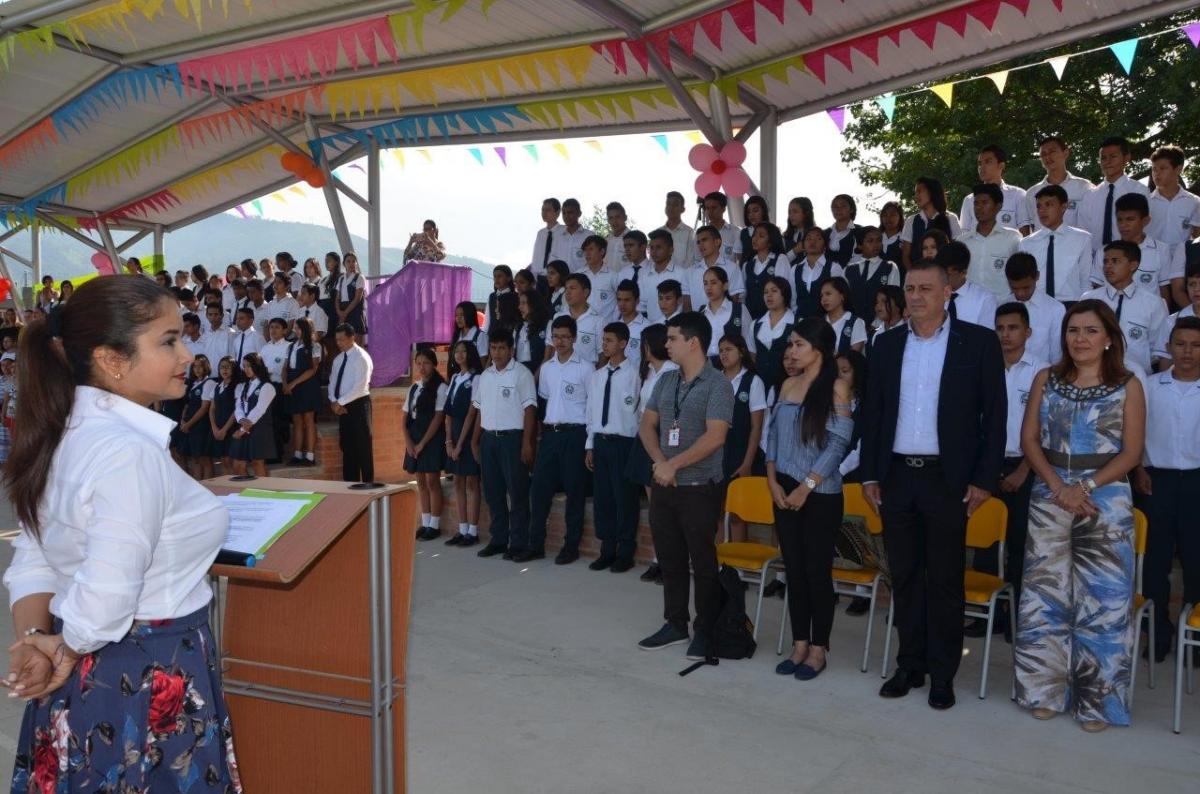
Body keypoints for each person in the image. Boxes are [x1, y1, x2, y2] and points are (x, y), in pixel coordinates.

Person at [1, 275, 242, 791]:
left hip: (89, 677)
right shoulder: (125, 453)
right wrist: (62, 648)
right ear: (112, 359)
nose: (186, 354)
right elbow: (107, 597)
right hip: (147, 673)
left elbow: (35, 560)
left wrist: (36, 642)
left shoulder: (61, 434)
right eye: (169, 340)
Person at [861, 259, 1007, 710]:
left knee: (944, 580)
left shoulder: (978, 343)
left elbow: (995, 417)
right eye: (910, 287)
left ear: (948, 292)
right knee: (903, 576)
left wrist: (984, 480)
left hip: (949, 480)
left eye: (927, 287)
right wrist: (869, 472)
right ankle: (910, 664)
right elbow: (874, 414)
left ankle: (943, 674)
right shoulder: (885, 345)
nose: (916, 295)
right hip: (897, 477)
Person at [1016, 300, 1145, 730]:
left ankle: (1098, 704)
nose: (1081, 339)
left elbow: (1131, 452)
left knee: (1103, 603)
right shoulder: (1045, 379)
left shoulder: (1128, 384)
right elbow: (1029, 440)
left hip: (1105, 500)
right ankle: (1044, 691)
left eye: (1091, 331)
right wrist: (1058, 487)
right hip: (1049, 494)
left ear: (1109, 338)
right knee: (1045, 597)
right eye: (1073, 331)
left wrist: (1084, 487)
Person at [637, 312, 735, 659]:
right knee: (670, 557)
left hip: (699, 487)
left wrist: (673, 464)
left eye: (672, 338)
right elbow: (647, 425)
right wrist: (660, 463)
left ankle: (705, 629)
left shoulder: (718, 384)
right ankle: (675, 622)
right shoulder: (665, 381)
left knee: (702, 559)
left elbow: (716, 436)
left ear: (693, 342)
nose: (666, 344)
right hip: (665, 484)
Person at [767, 319, 855, 679]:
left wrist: (807, 486)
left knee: (817, 572)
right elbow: (772, 438)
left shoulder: (837, 387)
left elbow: (837, 444)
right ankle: (799, 642)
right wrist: (772, 480)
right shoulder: (788, 383)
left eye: (798, 344)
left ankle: (819, 648)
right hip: (783, 489)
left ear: (819, 349)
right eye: (790, 344)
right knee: (794, 570)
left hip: (819, 495)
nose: (791, 351)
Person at [966, 303, 1046, 639]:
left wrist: (1025, 470)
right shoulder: (983, 366)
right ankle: (988, 615)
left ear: (1027, 332)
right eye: (999, 328)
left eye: (1013, 328)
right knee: (985, 543)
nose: (1005, 335)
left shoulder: (1042, 371)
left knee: (1020, 545)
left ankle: (1017, 619)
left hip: (1025, 466)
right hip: (986, 464)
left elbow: (1046, 426)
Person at [1137, 315, 1200, 662]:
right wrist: (1139, 468)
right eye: (1181, 344)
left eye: (1195, 345)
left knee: (1196, 562)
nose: (1187, 352)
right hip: (1156, 480)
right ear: (1170, 347)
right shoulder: (1150, 385)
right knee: (1155, 563)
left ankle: (1195, 634)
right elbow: (1135, 431)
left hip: (1196, 481)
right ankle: (1157, 634)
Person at [527, 316, 592, 564]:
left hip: (576, 435)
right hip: (551, 435)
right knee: (540, 490)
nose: (561, 341)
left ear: (574, 338)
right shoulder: (547, 368)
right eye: (556, 337)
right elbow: (545, 400)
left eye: (565, 337)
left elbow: (591, 406)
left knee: (575, 493)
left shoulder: (585, 368)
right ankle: (536, 544)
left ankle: (571, 546)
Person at [470, 329, 537, 559]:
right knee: (493, 492)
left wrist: (527, 444)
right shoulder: (486, 376)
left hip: (513, 440)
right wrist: (475, 440)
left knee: (517, 493)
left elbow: (530, 410)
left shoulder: (522, 374)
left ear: (511, 350)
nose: (496, 353)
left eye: (501, 348)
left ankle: (517, 543)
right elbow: (480, 409)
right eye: (493, 348)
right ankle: (498, 539)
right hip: (489, 440)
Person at [586, 322, 642, 572]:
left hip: (625, 443)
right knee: (604, 498)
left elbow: (639, 415)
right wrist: (590, 445)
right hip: (602, 441)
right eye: (603, 339)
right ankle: (607, 549)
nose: (604, 344)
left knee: (624, 498)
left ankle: (625, 550)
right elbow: (591, 413)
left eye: (609, 340)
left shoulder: (635, 375)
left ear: (622, 343)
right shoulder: (597, 376)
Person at [1080, 240, 1168, 374]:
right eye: (1105, 261)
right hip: (1094, 375)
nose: (1108, 266)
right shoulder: (1089, 299)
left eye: (1115, 261)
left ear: (1133, 265)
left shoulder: (1154, 303)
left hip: (1135, 377)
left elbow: (1157, 350)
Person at [628, 324, 673, 584]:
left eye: (645, 343)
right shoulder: (648, 372)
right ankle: (659, 558)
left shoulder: (671, 371)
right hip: (645, 439)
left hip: (663, 441)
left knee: (665, 505)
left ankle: (670, 560)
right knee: (654, 506)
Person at [1091, 193, 1186, 309]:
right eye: (1119, 220)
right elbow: (1097, 287)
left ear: (1145, 220)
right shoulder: (1104, 252)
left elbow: (1164, 292)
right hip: (1111, 318)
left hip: (1146, 319)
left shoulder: (1161, 250)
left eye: (1130, 219)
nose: (1123, 225)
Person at [718, 334, 767, 543]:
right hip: (716, 452)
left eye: (728, 349)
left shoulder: (753, 381)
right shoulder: (715, 378)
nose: (723, 355)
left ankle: (736, 570)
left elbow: (756, 427)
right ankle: (719, 565)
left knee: (738, 514)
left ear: (741, 351)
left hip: (740, 452)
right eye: (720, 351)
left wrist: (747, 462)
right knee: (718, 512)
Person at [1018, 185, 1094, 302]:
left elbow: (1086, 280)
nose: (1042, 211)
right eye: (1039, 206)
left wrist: (1084, 309)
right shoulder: (1026, 243)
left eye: (1049, 205)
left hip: (1071, 305)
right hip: (1038, 306)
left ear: (1064, 207)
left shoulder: (1082, 238)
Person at [405, 347, 449, 542]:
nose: (422, 367)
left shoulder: (440, 387)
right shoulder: (414, 387)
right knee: (420, 481)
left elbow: (438, 418)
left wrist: (422, 443)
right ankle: (425, 522)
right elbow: (405, 417)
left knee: (432, 481)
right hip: (414, 437)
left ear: (434, 365)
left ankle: (435, 525)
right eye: (419, 363)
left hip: (431, 438)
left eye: (426, 363)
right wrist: (409, 442)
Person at [443, 341, 483, 548]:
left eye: (463, 351)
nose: (459, 354)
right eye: (456, 351)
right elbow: (448, 414)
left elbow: (472, 412)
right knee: (457, 482)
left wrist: (461, 444)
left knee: (472, 483)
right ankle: (463, 528)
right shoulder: (455, 378)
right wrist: (449, 441)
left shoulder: (476, 378)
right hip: (454, 434)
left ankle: (473, 531)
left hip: (468, 436)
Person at [1078, 136, 1150, 249]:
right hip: (1097, 260)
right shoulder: (1090, 195)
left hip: (1130, 257)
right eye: (1103, 158)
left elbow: (1144, 228)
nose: (1108, 162)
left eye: (1113, 156)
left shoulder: (1139, 191)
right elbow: (1083, 232)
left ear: (1126, 158)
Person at [960, 183, 1023, 300]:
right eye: (976, 203)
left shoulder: (1013, 238)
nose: (979, 208)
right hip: (970, 308)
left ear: (998, 206)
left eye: (984, 203)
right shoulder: (962, 242)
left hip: (1002, 307)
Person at [1004, 252, 1065, 366]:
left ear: (1037, 276)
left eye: (1026, 287)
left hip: (1042, 377)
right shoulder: (1002, 307)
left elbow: (1057, 355)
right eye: (1014, 288)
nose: (1020, 293)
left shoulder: (1055, 309)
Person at [1025, 135, 1095, 232]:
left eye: (1052, 152)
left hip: (1075, 245)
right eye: (1043, 154)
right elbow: (1032, 227)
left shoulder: (1084, 187)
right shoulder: (1032, 193)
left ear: (1065, 153)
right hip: (1042, 246)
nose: (1047, 157)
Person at [957, 144, 1031, 234]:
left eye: (988, 162)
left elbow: (1025, 234)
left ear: (1001, 165)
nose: (982, 167)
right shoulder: (969, 200)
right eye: (980, 163)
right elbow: (964, 236)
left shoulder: (1018, 195)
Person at [283, 317, 322, 468]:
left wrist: (293, 383)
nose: (295, 331)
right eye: (295, 328)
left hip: (307, 385)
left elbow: (313, 369)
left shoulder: (314, 346)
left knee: (308, 420)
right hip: (292, 386)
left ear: (306, 329)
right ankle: (298, 454)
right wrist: (286, 383)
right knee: (297, 421)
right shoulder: (291, 346)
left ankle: (310, 456)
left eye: (298, 328)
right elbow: (285, 368)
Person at [228, 352, 275, 477]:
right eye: (244, 366)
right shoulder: (243, 386)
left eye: (249, 366)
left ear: (257, 365)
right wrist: (242, 419)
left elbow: (259, 410)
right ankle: (246, 491)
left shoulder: (267, 386)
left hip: (259, 429)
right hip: (245, 426)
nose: (246, 369)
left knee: (257, 463)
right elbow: (238, 406)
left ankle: (263, 494)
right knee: (237, 464)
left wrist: (243, 429)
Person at [901, 177, 961, 270]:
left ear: (932, 192)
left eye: (919, 191)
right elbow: (906, 256)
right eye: (915, 193)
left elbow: (956, 250)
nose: (916, 196)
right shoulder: (911, 221)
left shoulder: (950, 218)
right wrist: (914, 275)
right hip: (918, 278)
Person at [1146, 145, 1200, 248]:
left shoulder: (1194, 202)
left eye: (1163, 168)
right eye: (1154, 169)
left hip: (1182, 262)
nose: (1157, 173)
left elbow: (1197, 238)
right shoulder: (1144, 202)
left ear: (1178, 169)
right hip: (1150, 261)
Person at [546, 273, 604, 367]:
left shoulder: (598, 321)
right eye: (566, 288)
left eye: (572, 288)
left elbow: (602, 354)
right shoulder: (558, 316)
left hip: (586, 377)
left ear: (585, 292)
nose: (567, 293)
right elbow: (551, 348)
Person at [843, 226, 901, 321]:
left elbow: (893, 299)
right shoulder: (848, 269)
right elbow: (843, 299)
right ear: (860, 245)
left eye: (878, 240)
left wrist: (876, 324)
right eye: (870, 241)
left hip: (881, 325)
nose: (876, 244)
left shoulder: (890, 267)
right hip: (853, 324)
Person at [699, 266, 752, 366]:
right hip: (707, 369)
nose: (708, 287)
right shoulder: (701, 313)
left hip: (734, 368)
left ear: (725, 285)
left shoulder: (739, 309)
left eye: (713, 282)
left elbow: (749, 343)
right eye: (705, 283)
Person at [937, 241, 998, 327]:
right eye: (939, 273)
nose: (941, 278)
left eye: (947, 275)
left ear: (963, 273)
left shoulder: (985, 300)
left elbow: (985, 337)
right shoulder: (932, 296)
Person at [684, 224, 744, 311]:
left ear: (717, 242)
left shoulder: (732, 268)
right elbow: (687, 305)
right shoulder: (689, 272)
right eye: (698, 242)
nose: (701, 244)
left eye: (704, 240)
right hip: (697, 322)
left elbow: (734, 300)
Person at [752, 276, 795, 392]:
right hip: (760, 386)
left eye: (774, 291)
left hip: (787, 385)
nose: (769, 295)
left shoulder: (796, 323)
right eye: (765, 292)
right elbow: (752, 357)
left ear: (784, 294)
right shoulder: (755, 324)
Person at [742, 222, 791, 320]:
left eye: (761, 236)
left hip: (774, 316)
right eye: (754, 235)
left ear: (770, 241)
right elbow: (744, 294)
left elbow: (784, 290)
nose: (755, 239)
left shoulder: (780, 259)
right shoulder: (747, 265)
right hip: (751, 317)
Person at [179, 354, 216, 480]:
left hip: (201, 426)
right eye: (195, 366)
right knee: (195, 458)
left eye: (200, 366)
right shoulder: (193, 383)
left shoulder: (209, 382)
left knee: (204, 458)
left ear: (206, 367)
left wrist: (189, 424)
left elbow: (204, 407)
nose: (197, 369)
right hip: (190, 426)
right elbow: (187, 404)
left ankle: (209, 487)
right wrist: (183, 420)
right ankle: (199, 485)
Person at [793, 226, 844, 319]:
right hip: (800, 323)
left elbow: (840, 298)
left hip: (826, 323)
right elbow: (792, 300)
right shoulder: (795, 269)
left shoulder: (834, 268)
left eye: (818, 238)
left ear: (825, 245)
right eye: (809, 238)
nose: (813, 242)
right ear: (803, 245)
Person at [259, 318, 292, 462]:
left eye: (277, 327)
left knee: (278, 421)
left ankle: (278, 454)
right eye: (271, 327)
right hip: (265, 387)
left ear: (285, 330)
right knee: (267, 422)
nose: (273, 330)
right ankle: (270, 453)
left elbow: (285, 369)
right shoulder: (265, 347)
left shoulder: (289, 346)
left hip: (279, 388)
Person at [641, 229, 683, 323]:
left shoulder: (682, 274)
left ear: (671, 250)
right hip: (651, 329)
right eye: (652, 247)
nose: (654, 251)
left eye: (659, 247)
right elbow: (642, 306)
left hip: (675, 328)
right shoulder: (645, 275)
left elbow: (684, 305)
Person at [820, 276, 868, 355]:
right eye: (821, 296)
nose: (824, 299)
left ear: (842, 296)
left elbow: (854, 357)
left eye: (828, 294)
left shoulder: (856, 323)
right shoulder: (819, 322)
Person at [209, 355, 239, 472]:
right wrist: (215, 428)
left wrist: (224, 430)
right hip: (218, 428)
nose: (224, 370)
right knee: (223, 461)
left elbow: (236, 410)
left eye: (228, 367)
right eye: (222, 367)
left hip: (231, 428)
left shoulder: (238, 386)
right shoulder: (217, 387)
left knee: (231, 461)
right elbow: (212, 409)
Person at [579, 235, 619, 322]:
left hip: (606, 328)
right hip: (582, 325)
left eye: (591, 249)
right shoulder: (578, 275)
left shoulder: (614, 276)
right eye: (585, 250)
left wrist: (613, 321)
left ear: (602, 251)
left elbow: (620, 301)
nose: (587, 253)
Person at [825, 194, 865, 268]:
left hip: (851, 276)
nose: (838, 209)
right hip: (826, 277)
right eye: (835, 207)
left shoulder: (860, 232)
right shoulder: (825, 234)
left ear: (851, 209)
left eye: (843, 206)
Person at [515, 288, 549, 374]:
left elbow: (548, 357)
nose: (519, 307)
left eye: (523, 303)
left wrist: (535, 378)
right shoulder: (519, 327)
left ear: (534, 304)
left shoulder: (547, 325)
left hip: (539, 374)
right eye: (519, 303)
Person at [615, 279, 648, 367]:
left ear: (637, 301)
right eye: (619, 300)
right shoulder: (615, 327)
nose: (622, 304)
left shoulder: (647, 327)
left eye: (627, 300)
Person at [449, 300, 487, 376]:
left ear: (470, 315)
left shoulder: (480, 336)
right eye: (456, 315)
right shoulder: (456, 336)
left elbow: (483, 363)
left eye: (462, 315)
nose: (458, 318)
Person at [661, 190, 697, 269]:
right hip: (660, 278)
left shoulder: (689, 232)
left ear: (683, 209)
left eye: (675, 205)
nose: (671, 207)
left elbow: (692, 260)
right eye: (668, 204)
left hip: (682, 278)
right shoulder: (659, 232)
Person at [702, 191, 742, 262]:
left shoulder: (735, 232)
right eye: (707, 208)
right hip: (706, 272)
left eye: (714, 208)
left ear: (723, 209)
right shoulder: (701, 234)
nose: (710, 212)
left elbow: (740, 259)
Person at [530, 198, 564, 280]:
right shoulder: (540, 233)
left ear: (557, 212)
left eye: (548, 210)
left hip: (556, 278)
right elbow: (536, 257)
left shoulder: (564, 232)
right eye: (543, 210)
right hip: (539, 277)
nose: (544, 213)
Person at [556, 198, 593, 273]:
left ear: (579, 213)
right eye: (564, 213)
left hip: (582, 280)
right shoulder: (557, 236)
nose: (566, 216)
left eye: (570, 212)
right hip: (561, 282)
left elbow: (594, 260)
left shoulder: (589, 235)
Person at [335, 253, 367, 335]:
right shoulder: (341, 278)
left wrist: (344, 313)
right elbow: (337, 298)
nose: (351, 264)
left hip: (355, 311)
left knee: (356, 338)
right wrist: (339, 311)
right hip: (343, 310)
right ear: (344, 264)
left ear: (356, 263)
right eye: (348, 261)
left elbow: (357, 299)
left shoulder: (359, 277)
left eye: (353, 261)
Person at [484, 265, 520, 335]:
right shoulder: (492, 296)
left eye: (500, 276)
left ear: (509, 278)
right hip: (492, 335)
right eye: (495, 276)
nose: (496, 279)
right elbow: (487, 320)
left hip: (508, 335)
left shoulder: (516, 297)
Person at [782, 196, 817, 262]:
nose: (791, 215)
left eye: (795, 212)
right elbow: (781, 262)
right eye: (789, 212)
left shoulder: (816, 235)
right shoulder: (785, 237)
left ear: (806, 213)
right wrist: (795, 250)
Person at [738, 196, 771, 263]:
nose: (751, 215)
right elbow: (739, 257)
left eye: (755, 211)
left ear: (763, 211)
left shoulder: (772, 231)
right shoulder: (743, 233)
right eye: (748, 212)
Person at [604, 202, 632, 272]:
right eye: (611, 218)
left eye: (617, 217)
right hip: (608, 281)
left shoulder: (633, 239)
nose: (614, 221)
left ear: (625, 218)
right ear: (608, 220)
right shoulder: (606, 240)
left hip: (627, 281)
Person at [878, 201, 906, 270]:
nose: (888, 218)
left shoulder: (906, 239)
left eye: (892, 215)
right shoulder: (875, 238)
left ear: (900, 217)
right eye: (885, 215)